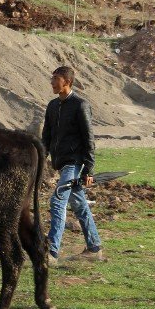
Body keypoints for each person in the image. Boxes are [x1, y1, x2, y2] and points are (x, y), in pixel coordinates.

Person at [42, 66, 102, 264]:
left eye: (55, 79)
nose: (51, 82)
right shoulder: (52, 106)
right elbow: (46, 137)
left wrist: (89, 170)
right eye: (52, 78)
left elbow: (89, 139)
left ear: (66, 82)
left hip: (74, 164)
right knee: (79, 204)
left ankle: (51, 252)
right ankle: (94, 248)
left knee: (58, 201)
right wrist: (41, 159)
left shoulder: (80, 105)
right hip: (61, 164)